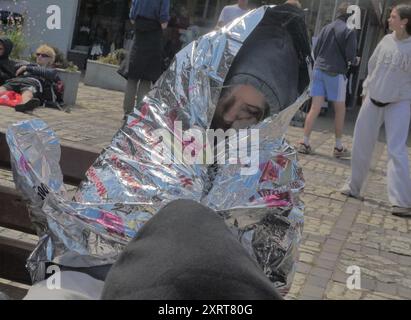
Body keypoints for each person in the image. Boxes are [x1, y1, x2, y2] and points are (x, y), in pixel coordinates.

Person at [22, 4, 311, 300]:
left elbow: (266, 277)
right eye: (225, 98)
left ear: (269, 119)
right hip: (95, 275)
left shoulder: (274, 174)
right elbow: (98, 214)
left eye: (249, 112)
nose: (229, 117)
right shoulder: (159, 126)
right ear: (207, 87)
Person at [341, 4, 411, 218]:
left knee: (396, 150)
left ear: (405, 21)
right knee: (361, 143)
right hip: (372, 99)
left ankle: (402, 201)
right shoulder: (385, 40)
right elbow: (372, 67)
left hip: (399, 103)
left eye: (393, 17)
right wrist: (365, 90)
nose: (389, 20)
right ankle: (354, 186)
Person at [297, 2, 358, 158]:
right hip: (335, 73)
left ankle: (305, 142)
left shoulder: (326, 28)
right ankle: (338, 147)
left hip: (319, 70)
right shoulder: (349, 31)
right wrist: (356, 60)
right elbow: (351, 56)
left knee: (315, 108)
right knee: (340, 109)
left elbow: (316, 51)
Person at [122, 0, 170, 118]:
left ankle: (127, 112)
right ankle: (138, 113)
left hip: (139, 35)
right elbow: (163, 21)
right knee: (146, 79)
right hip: (153, 36)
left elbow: (132, 17)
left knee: (132, 77)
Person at [0, 45, 62, 112]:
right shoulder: (30, 65)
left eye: (44, 55)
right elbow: (15, 66)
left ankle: (24, 105)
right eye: (38, 54)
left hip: (32, 83)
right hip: (17, 80)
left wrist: (26, 68)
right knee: (3, 87)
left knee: (28, 92)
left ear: (51, 59)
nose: (39, 57)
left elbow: (48, 73)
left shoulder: (51, 70)